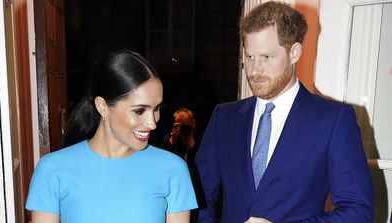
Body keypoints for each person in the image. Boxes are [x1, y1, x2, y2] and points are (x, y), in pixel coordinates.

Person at [194, 1, 373, 223]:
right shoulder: (224, 117)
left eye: (267, 57)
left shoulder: (333, 120)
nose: (255, 69)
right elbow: (199, 200)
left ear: (294, 52)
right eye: (249, 57)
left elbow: (358, 211)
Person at [25, 50, 198, 223]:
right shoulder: (53, 169)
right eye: (139, 111)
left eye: (156, 109)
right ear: (103, 106)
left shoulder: (173, 169)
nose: (152, 123)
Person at [160, 107, 203, 172]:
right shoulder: (169, 138)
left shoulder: (201, 138)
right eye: (179, 125)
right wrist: (172, 141)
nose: (183, 128)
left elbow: (204, 162)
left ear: (193, 123)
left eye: (186, 124)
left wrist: (193, 146)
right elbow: (162, 160)